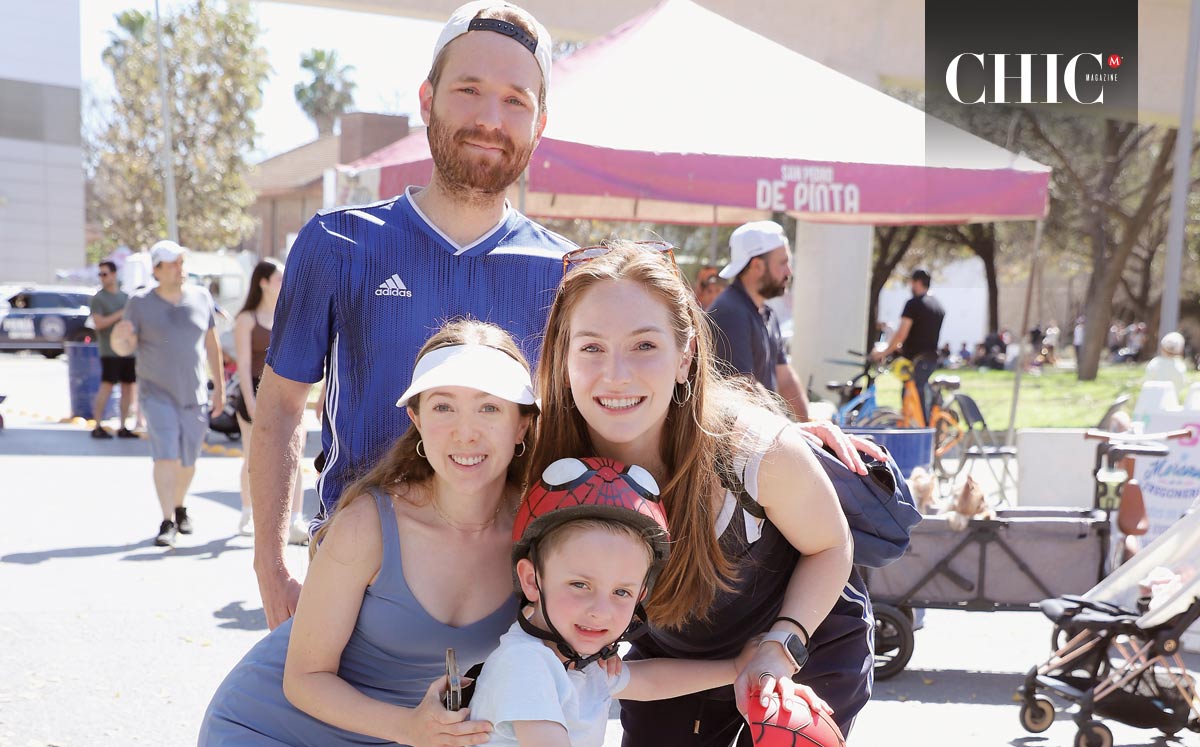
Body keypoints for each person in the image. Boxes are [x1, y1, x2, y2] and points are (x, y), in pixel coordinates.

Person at [250, 0, 575, 629]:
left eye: (515, 100)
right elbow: (281, 407)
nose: (489, 118)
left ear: (540, 124)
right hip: (355, 592)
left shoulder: (567, 273)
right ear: (426, 100)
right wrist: (271, 567)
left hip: (511, 604)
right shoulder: (337, 244)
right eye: (469, 89)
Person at [531, 241, 878, 740]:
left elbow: (830, 545)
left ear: (685, 353)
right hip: (673, 661)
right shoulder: (546, 462)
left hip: (804, 640)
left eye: (644, 345)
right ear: (563, 357)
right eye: (590, 347)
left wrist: (780, 645)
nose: (616, 374)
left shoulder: (753, 450)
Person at [200, 320, 537, 746]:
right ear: (416, 418)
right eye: (443, 407)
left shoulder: (537, 533)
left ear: (522, 424)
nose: (465, 431)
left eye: (489, 408)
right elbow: (303, 679)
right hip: (269, 729)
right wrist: (411, 729)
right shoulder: (369, 525)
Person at [467, 458, 810, 747]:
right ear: (532, 580)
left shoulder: (579, 661)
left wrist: (734, 668)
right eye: (579, 584)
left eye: (621, 593)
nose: (600, 610)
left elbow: (649, 681)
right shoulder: (526, 663)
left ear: (641, 594)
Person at [111, 240, 224, 547]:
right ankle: (167, 520)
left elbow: (212, 345)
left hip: (195, 394)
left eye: (182, 263)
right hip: (155, 393)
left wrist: (219, 391)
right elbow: (124, 346)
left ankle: (179, 505)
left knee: (188, 461)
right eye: (173, 264)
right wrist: (119, 339)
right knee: (166, 455)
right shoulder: (139, 302)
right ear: (157, 270)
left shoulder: (201, 297)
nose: (180, 269)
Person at [232, 259, 307, 541]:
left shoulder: (289, 315)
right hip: (253, 390)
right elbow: (242, 363)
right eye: (278, 278)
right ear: (263, 282)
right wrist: (250, 402)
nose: (283, 283)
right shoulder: (246, 319)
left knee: (294, 456)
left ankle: (296, 520)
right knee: (253, 456)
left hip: (285, 391)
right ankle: (247, 512)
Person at [706, 221, 810, 419]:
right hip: (736, 443)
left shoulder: (766, 313)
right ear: (757, 266)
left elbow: (785, 379)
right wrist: (790, 431)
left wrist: (812, 427)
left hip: (761, 436)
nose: (789, 271)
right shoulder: (730, 312)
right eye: (782, 263)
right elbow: (745, 387)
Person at [871, 268, 945, 422]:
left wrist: (883, 352)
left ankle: (922, 434)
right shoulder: (938, 306)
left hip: (916, 361)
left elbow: (901, 334)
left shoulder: (914, 304)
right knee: (922, 396)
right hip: (931, 358)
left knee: (913, 400)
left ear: (917, 282)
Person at [89, 260, 137, 439]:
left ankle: (124, 426)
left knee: (128, 388)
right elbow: (98, 323)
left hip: (128, 350)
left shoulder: (126, 297)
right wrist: (119, 314)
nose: (102, 277)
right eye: (100, 274)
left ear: (114, 274)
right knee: (107, 386)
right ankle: (98, 425)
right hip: (109, 350)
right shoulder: (98, 299)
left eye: (105, 274)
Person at [1143, 331, 1189, 399]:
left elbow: (1147, 382)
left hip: (1151, 401)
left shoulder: (1154, 363)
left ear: (1162, 347)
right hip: (1171, 402)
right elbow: (1181, 385)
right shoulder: (1180, 367)